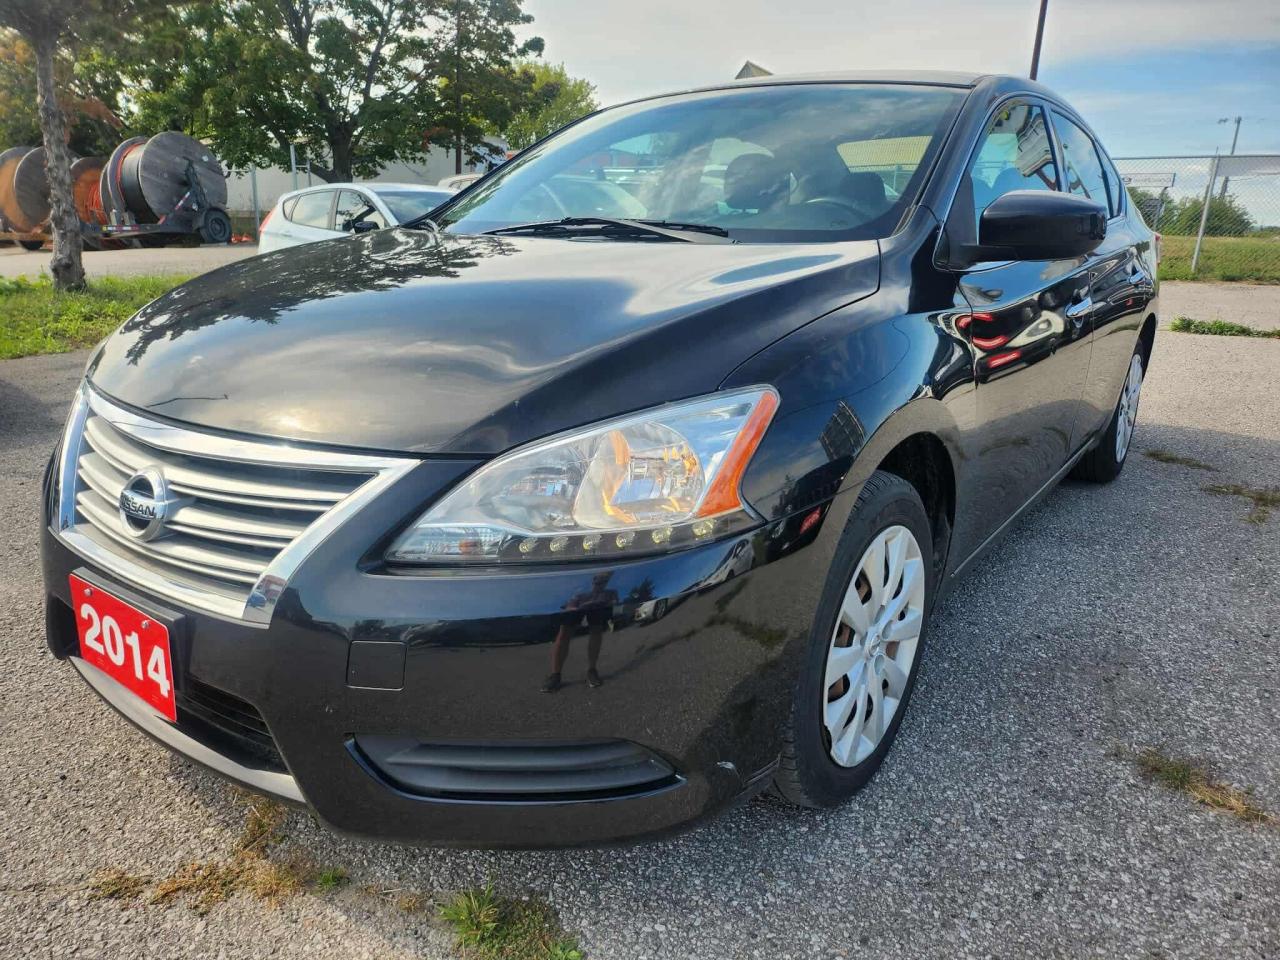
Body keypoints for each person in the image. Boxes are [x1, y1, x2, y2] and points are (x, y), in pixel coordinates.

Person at [542, 572, 619, 693]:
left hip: (599, 603)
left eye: (603, 581)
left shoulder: (610, 592)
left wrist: (605, 602)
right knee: (564, 631)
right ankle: (555, 675)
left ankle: (592, 670)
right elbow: (570, 606)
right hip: (579, 599)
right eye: (597, 581)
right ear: (593, 581)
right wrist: (581, 605)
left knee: (596, 630)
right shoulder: (580, 593)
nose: (599, 583)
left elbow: (614, 601)